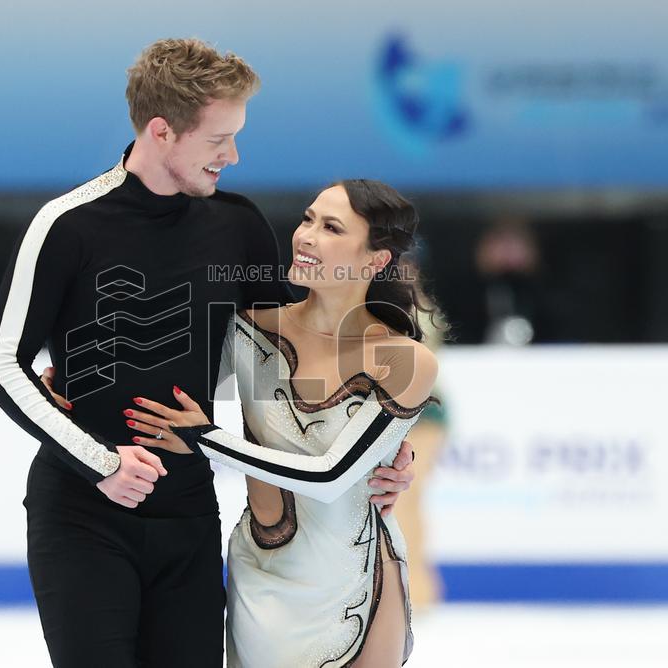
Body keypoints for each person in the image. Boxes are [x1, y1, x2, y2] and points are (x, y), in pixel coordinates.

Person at [0, 39, 416, 667]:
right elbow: (2, 365)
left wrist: (384, 438)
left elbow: (298, 350)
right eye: (220, 140)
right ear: (163, 131)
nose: (233, 156)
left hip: (188, 514)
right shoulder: (66, 224)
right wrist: (101, 461)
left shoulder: (236, 225)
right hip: (82, 513)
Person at [125, 180, 440, 666]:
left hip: (357, 582)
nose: (306, 236)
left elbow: (331, 476)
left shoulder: (400, 359)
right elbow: (153, 378)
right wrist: (73, 376)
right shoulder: (251, 329)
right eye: (307, 218)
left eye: (331, 227)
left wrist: (204, 439)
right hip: (264, 580)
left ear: (375, 260)